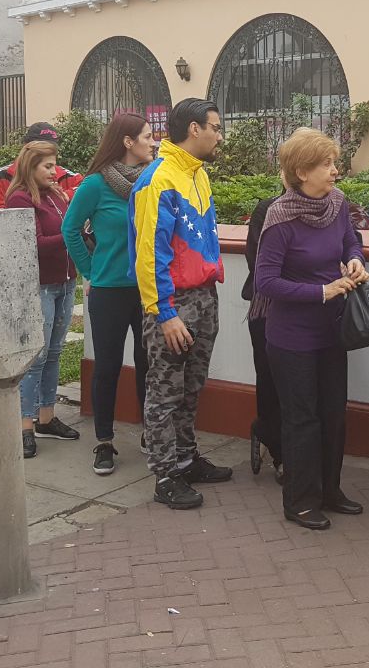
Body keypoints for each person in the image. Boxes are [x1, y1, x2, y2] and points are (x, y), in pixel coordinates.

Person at [253, 128, 368, 530]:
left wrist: (355, 261)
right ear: (301, 171)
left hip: (331, 331)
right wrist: (321, 291)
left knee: (334, 414)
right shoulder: (280, 217)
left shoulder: (337, 205)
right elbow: (265, 282)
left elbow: (352, 243)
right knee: (302, 419)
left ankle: (330, 491)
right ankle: (300, 501)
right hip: (291, 338)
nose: (336, 171)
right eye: (327, 164)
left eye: (334, 163)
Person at [130, 98, 231, 510]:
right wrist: (165, 313)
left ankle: (186, 459)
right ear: (194, 129)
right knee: (164, 392)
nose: (219, 135)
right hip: (173, 304)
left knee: (192, 387)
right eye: (215, 127)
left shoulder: (198, 175)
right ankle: (165, 474)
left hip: (204, 297)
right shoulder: (159, 179)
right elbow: (150, 252)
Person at [61, 113, 154, 476]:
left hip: (146, 290)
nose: (153, 142)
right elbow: (70, 229)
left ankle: (151, 433)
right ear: (128, 142)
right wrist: (91, 271)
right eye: (147, 136)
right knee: (108, 367)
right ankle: (104, 441)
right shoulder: (94, 185)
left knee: (148, 364)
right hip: (108, 292)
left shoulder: (151, 181)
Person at [1, 140, 81, 457]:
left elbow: (65, 233)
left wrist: (81, 233)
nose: (54, 171)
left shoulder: (55, 196)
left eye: (55, 165)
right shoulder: (20, 199)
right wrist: (71, 234)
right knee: (37, 355)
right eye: (47, 166)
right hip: (40, 285)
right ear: (30, 167)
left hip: (65, 281)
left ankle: (46, 417)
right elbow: (32, 243)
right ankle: (25, 425)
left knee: (55, 351)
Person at [244, 190, 284, 483]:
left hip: (315, 312)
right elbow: (258, 261)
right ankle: (278, 449)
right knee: (271, 381)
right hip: (268, 309)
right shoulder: (267, 209)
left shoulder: (334, 206)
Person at [0, 122, 84, 206]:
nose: (46, 151)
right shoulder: (1, 176)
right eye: (39, 147)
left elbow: (86, 188)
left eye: (51, 147)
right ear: (26, 148)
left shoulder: (65, 175)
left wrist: (65, 196)